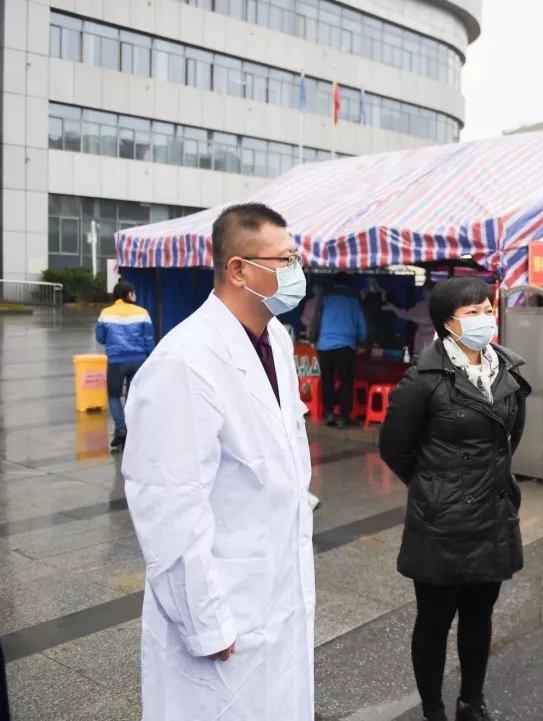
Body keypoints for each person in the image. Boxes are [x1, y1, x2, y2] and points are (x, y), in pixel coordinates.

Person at [122, 203, 316, 721]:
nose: (296, 272)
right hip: (223, 610)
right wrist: (204, 623)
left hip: (276, 589)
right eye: (284, 260)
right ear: (238, 270)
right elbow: (168, 506)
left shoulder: (275, 340)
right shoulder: (183, 362)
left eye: (296, 258)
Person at [379, 277, 531, 721]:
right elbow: (394, 447)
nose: (485, 319)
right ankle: (433, 710)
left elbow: (509, 437)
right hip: (440, 521)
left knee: (480, 615)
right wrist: (435, 485)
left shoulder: (507, 370)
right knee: (434, 620)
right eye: (472, 313)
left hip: (493, 515)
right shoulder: (423, 378)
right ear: (448, 323)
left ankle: (472, 700)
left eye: (488, 309)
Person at [95, 281, 154, 450]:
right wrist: (151, 358)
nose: (134, 295)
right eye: (133, 292)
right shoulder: (142, 313)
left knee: (114, 396)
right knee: (132, 394)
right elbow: (148, 339)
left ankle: (120, 428)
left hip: (115, 361)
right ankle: (130, 428)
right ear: (128, 294)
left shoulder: (106, 313)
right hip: (138, 360)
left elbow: (100, 337)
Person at [316, 272, 366, 428]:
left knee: (327, 380)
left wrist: (313, 338)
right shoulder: (353, 301)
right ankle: (344, 417)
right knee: (346, 381)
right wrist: (362, 341)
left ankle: (329, 413)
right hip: (345, 346)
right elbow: (362, 325)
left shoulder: (326, 299)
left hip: (324, 345)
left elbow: (316, 320)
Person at [383, 280, 436, 354]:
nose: (425, 293)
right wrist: (394, 308)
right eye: (424, 291)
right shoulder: (420, 305)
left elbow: (429, 320)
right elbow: (407, 314)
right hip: (420, 342)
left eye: (427, 291)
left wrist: (415, 319)